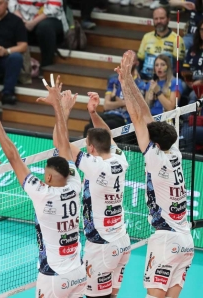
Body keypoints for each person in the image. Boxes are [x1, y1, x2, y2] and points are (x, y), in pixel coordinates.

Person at [0, 75, 86, 298]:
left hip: (53, 277)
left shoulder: (42, 193)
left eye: (44, 173)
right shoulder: (75, 184)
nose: (42, 176)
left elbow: (13, 157)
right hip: (78, 273)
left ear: (51, 178)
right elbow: (63, 144)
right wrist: (59, 109)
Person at [116, 50, 194, 298]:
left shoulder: (155, 157)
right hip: (186, 241)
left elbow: (137, 117)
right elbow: (146, 118)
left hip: (166, 240)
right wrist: (127, 80)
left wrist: (125, 80)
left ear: (156, 145)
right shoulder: (175, 153)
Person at [70, 92, 131, 298]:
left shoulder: (95, 166)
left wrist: (61, 110)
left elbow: (62, 143)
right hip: (122, 240)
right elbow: (107, 135)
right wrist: (93, 113)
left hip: (101, 246)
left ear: (91, 148)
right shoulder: (119, 159)